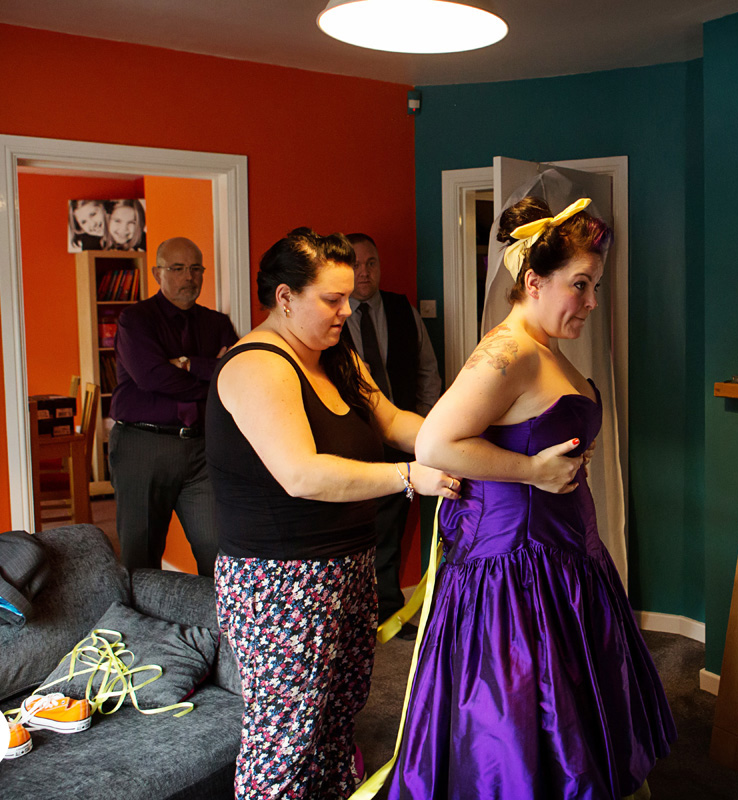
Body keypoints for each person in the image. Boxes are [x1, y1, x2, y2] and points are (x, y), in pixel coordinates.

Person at [379, 197, 676, 800]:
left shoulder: (545, 348)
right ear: (533, 282)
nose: (592, 302)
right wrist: (531, 471)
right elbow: (436, 441)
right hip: (516, 571)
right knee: (521, 717)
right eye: (581, 286)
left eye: (594, 285)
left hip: (567, 554)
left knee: (574, 711)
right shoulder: (508, 351)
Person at [206, 228, 460, 800]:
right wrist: (407, 478)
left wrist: (474, 443)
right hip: (280, 583)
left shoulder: (335, 353)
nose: (349, 309)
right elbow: (302, 474)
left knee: (334, 725)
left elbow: (395, 422)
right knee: (285, 743)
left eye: (349, 297)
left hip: (347, 565)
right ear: (285, 298)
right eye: (332, 299)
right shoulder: (255, 368)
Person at [108, 236, 236, 577]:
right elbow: (152, 378)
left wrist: (187, 363)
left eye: (196, 269)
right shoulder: (135, 320)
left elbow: (234, 378)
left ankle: (216, 628)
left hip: (202, 449)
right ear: (157, 273)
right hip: (143, 447)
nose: (188, 277)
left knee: (219, 549)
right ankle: (141, 630)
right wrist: (210, 370)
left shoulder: (217, 324)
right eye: (177, 268)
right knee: (141, 553)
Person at [342, 232, 442, 639]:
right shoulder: (330, 313)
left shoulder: (402, 309)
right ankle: (350, 615)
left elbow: (426, 370)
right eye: (356, 263)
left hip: (400, 437)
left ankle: (387, 609)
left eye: (371, 262)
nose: (364, 272)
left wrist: (427, 427)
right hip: (350, 440)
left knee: (393, 526)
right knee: (352, 529)